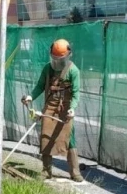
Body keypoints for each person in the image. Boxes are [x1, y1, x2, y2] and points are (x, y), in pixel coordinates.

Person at [21, 38, 83, 182]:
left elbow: (76, 93)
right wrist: (31, 96)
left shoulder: (73, 71)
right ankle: (46, 170)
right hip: (49, 107)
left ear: (68, 56)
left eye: (60, 59)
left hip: (65, 109)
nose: (57, 62)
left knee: (69, 139)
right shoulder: (47, 68)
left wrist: (72, 109)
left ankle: (75, 172)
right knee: (45, 138)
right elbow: (40, 86)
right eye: (55, 59)